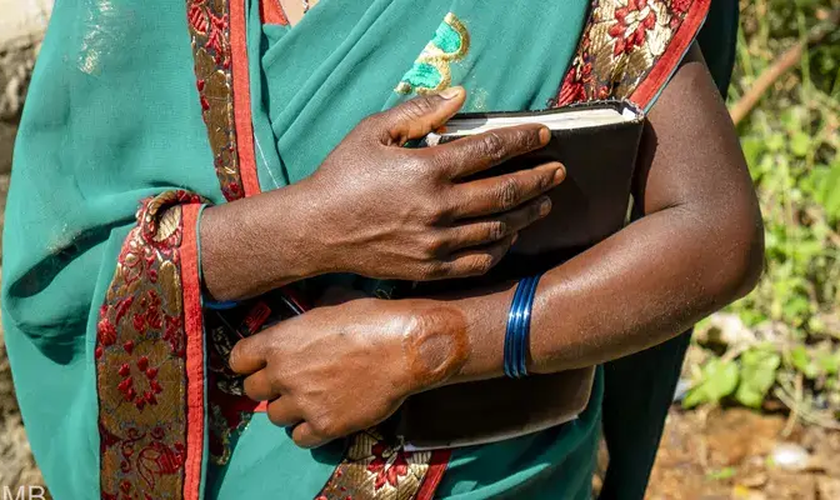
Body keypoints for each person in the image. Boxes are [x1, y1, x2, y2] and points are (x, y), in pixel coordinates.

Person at [2, 0, 762, 499]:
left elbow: (713, 228)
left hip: (488, 474)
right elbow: (60, 277)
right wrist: (315, 225)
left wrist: (435, 344)